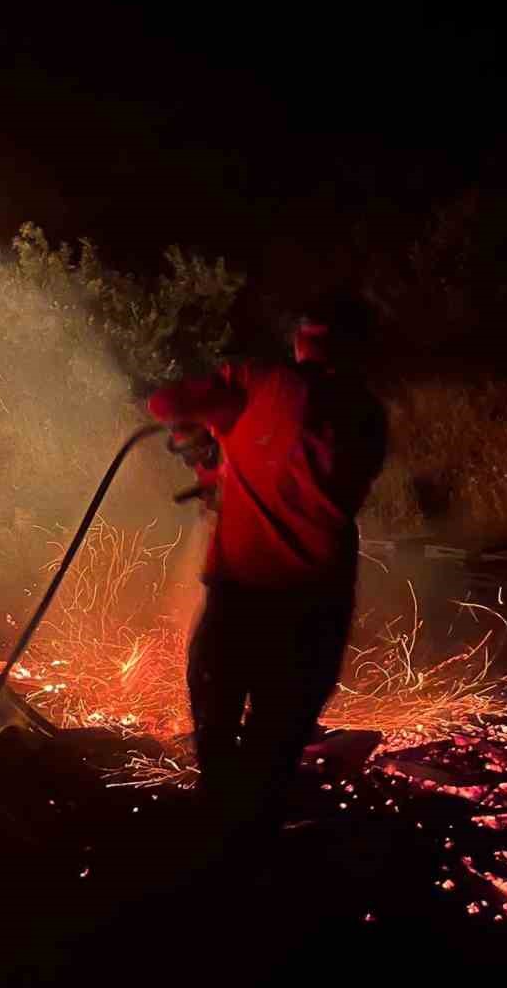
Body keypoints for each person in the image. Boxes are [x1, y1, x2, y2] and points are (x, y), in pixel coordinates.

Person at [148, 297, 388, 861]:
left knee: (217, 726)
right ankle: (253, 860)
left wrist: (203, 437)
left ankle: (212, 852)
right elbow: (294, 464)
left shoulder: (260, 381)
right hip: (317, 603)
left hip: (243, 597)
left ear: (301, 340)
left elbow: (164, 403)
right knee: (274, 745)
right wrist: (221, 459)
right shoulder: (368, 416)